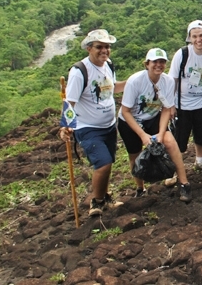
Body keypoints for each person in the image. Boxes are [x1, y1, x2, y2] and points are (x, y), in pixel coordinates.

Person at [62, 29, 126, 216]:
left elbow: (113, 88)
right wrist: (65, 125)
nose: (104, 50)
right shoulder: (79, 71)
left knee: (108, 162)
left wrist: (137, 81)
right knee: (103, 163)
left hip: (108, 125)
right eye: (99, 47)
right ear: (89, 48)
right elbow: (69, 101)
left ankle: (105, 196)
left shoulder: (108, 65)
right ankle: (96, 202)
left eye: (107, 46)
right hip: (87, 126)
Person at [117, 48, 191, 202]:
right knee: (134, 153)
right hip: (129, 120)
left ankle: (184, 183)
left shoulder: (168, 81)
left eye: (162, 62)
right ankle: (140, 187)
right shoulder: (135, 81)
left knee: (170, 142)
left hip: (152, 116)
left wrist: (161, 133)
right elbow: (125, 111)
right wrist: (143, 135)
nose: (158, 65)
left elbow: (165, 108)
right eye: (154, 62)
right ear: (147, 64)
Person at [168, 20, 202, 179]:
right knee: (179, 138)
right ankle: (175, 168)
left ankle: (200, 159)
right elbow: (172, 80)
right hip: (183, 104)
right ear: (189, 37)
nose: (198, 40)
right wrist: (170, 105)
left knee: (201, 135)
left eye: (201, 35)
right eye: (194, 36)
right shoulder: (182, 54)